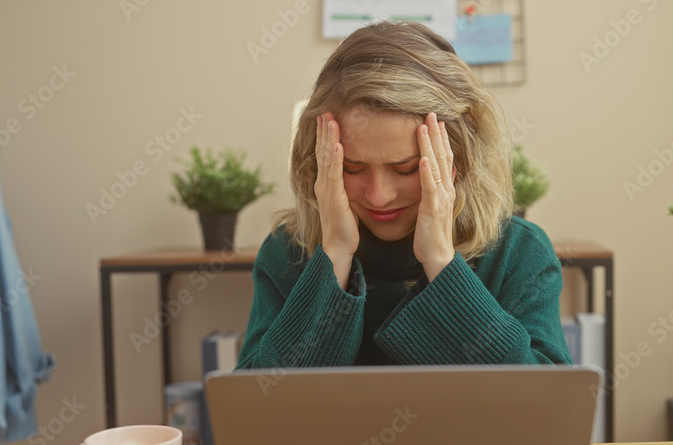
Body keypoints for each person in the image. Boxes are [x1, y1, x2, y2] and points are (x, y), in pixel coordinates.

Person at [235, 21, 571, 368]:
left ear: (460, 157)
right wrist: (333, 256)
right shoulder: (286, 252)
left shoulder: (520, 254)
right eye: (351, 168)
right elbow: (255, 403)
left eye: (407, 169)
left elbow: (549, 407)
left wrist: (442, 263)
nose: (378, 196)